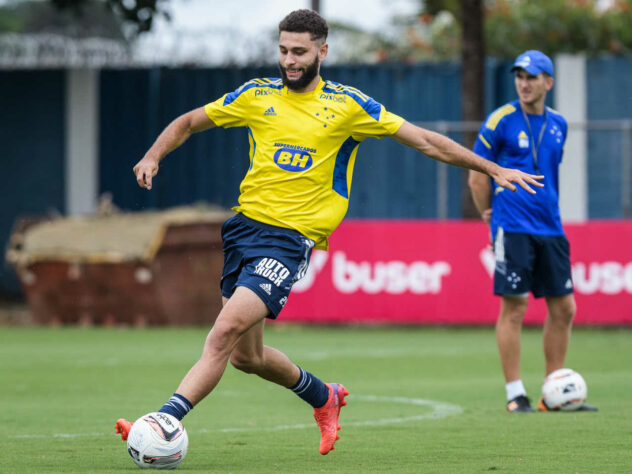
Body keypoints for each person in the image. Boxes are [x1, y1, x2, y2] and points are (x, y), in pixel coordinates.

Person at [115, 10, 543, 454]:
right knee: (247, 357)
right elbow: (187, 121)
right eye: (283, 51)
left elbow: (425, 141)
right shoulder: (256, 95)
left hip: (288, 241)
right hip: (243, 231)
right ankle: (324, 396)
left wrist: (493, 168)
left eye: (299, 52)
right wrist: (153, 155)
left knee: (222, 333)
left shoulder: (348, 105)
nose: (289, 61)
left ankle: (163, 422)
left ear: (322, 51)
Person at [468, 50, 596, 413]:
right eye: (519, 76)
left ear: (548, 83)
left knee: (565, 308)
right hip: (512, 225)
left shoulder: (559, 124)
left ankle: (554, 392)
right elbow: (477, 176)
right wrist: (488, 215)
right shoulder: (500, 120)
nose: (524, 83)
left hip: (551, 228)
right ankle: (514, 394)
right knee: (515, 306)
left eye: (532, 76)